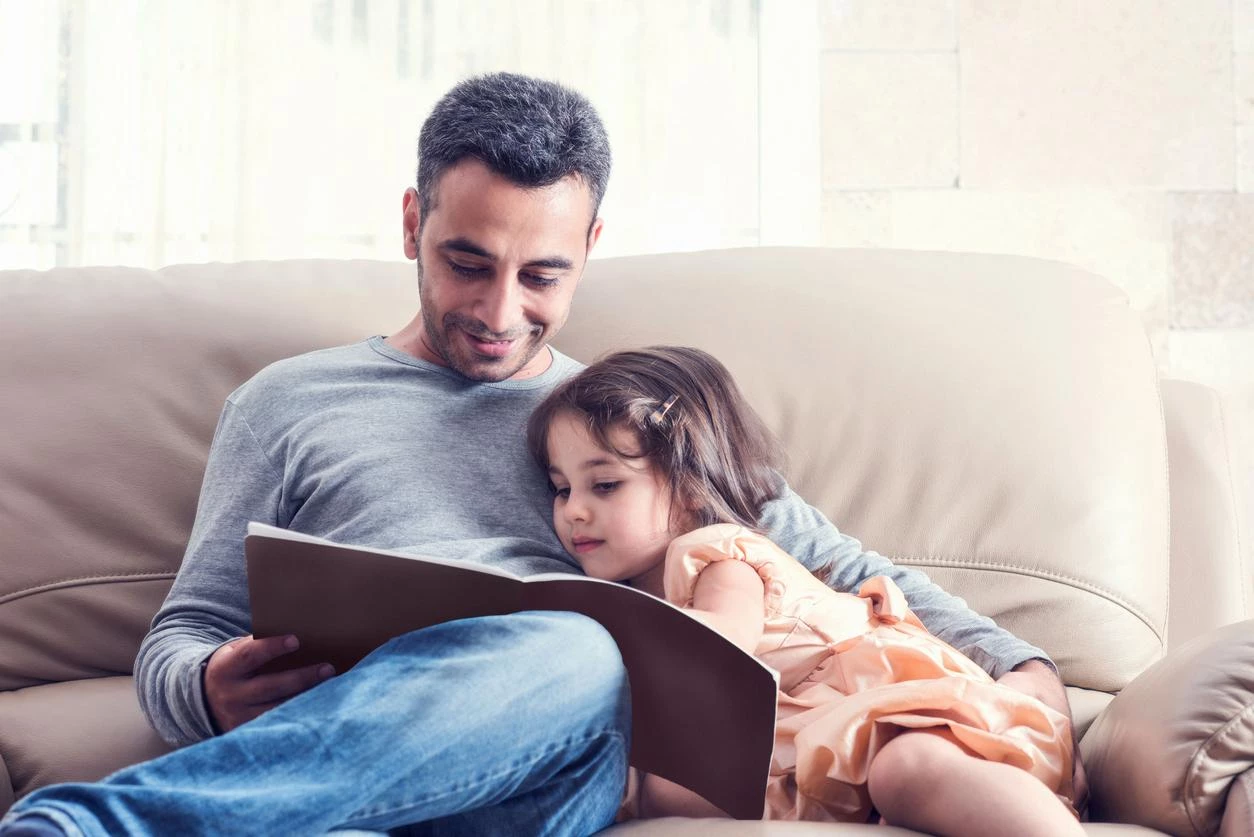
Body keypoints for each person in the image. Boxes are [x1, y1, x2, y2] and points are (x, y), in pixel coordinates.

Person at [0, 72, 1082, 836]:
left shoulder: (625, 424)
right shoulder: (286, 403)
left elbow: (826, 559)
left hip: (556, 770)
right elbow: (181, 636)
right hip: (341, 753)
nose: (498, 312)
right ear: (413, 219)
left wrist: (1028, 673)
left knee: (572, 648)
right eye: (466, 262)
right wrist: (208, 690)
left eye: (542, 276)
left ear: (590, 250)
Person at [526, 346, 1085, 836]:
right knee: (675, 793)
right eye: (560, 489)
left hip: (916, 721)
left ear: (692, 486)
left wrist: (610, 653)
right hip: (832, 748)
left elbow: (721, 647)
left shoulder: (718, 555)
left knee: (905, 767)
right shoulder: (655, 590)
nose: (573, 510)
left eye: (605, 485)